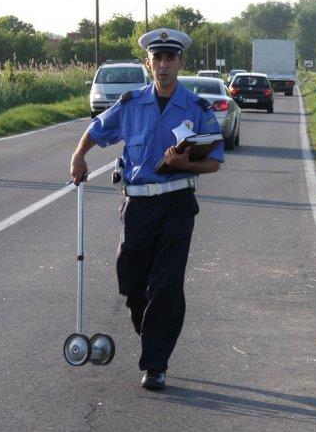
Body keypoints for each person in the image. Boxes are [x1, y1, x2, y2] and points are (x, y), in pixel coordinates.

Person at [68, 28, 224, 391]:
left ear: (181, 63)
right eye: (158, 59)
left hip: (177, 205)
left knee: (167, 284)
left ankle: (155, 364)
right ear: (148, 63)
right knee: (132, 281)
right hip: (137, 205)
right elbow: (97, 129)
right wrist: (79, 156)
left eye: (171, 58)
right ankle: (152, 329)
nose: (164, 65)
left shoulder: (197, 108)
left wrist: (187, 165)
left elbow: (215, 161)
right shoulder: (131, 103)